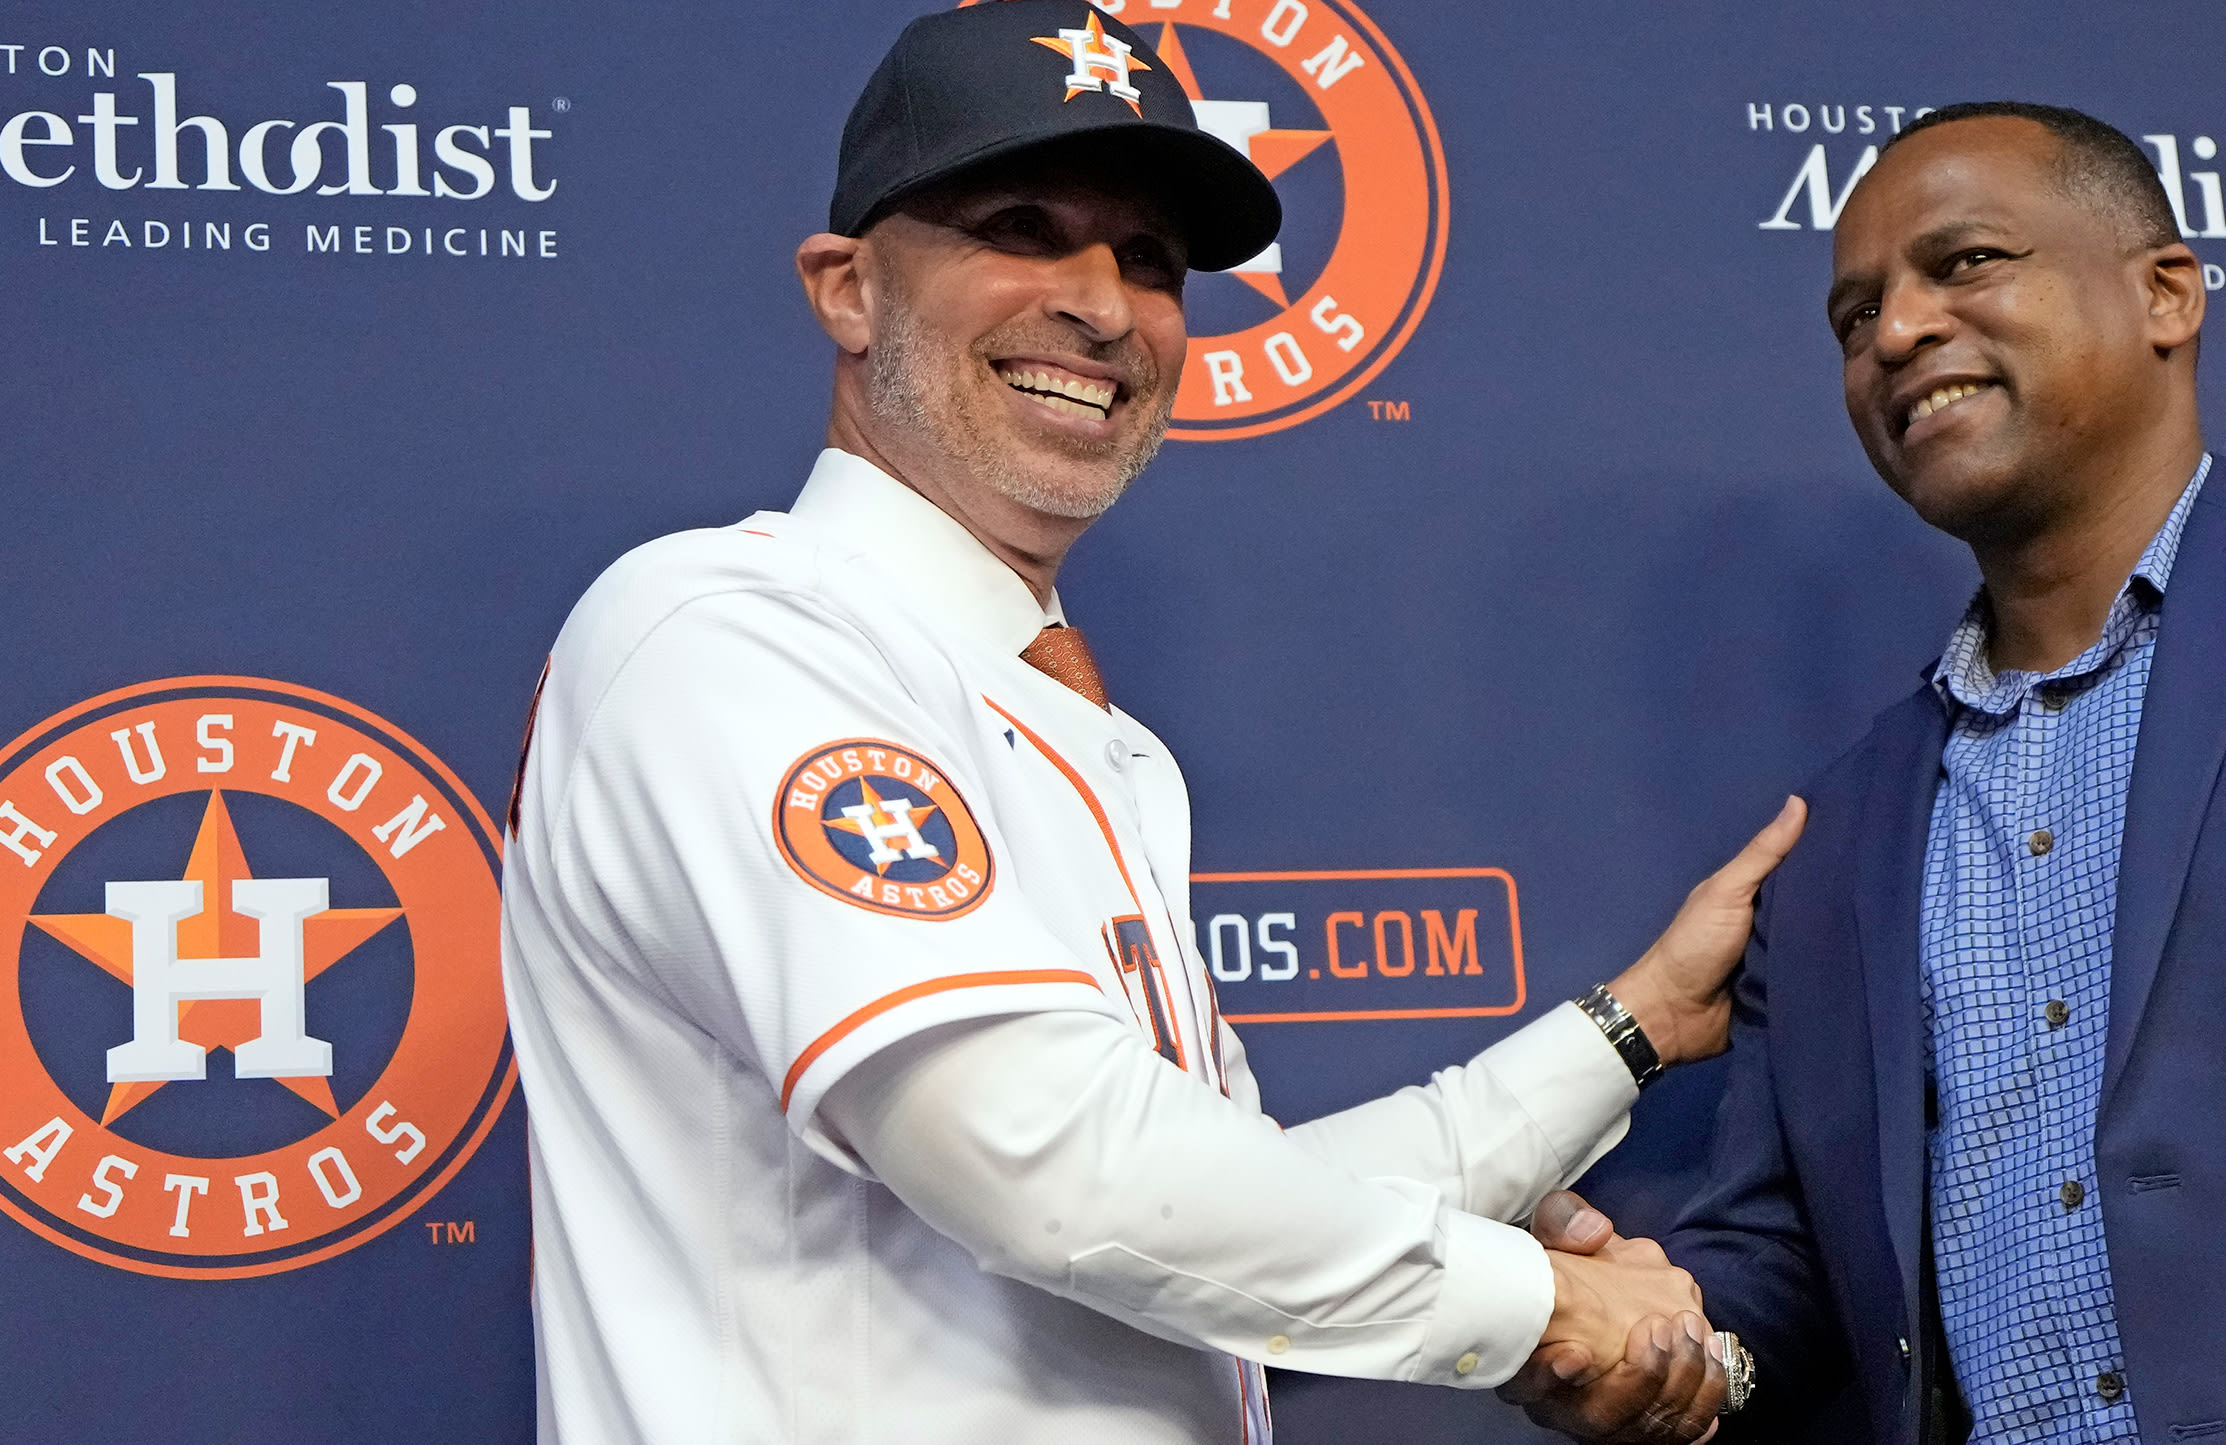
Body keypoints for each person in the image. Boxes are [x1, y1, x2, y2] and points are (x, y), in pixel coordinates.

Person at [498, 5, 1804, 1441]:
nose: (1104, 307)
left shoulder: (1093, 735)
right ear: (848, 288)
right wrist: (1537, 1305)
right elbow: (1041, 1154)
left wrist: (1624, 1029)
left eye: (1151, 261)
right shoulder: (729, 628)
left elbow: (1207, 1206)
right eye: (1020, 223)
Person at [1504, 101, 2226, 1443]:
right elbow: (1791, 1269)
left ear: (2166, 294)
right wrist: (1667, 1340)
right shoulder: (1839, 835)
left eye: (1966, 264)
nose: (1895, 332)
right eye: (1854, 316)